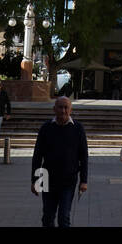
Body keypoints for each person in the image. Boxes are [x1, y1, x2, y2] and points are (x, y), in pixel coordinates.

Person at [31, 96, 89, 227]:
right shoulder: (46, 128)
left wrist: (84, 180)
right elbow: (37, 156)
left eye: (66, 107)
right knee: (47, 216)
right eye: (60, 107)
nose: (63, 111)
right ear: (54, 109)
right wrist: (35, 181)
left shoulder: (78, 128)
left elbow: (83, 156)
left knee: (64, 216)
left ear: (71, 110)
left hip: (68, 180)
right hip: (47, 178)